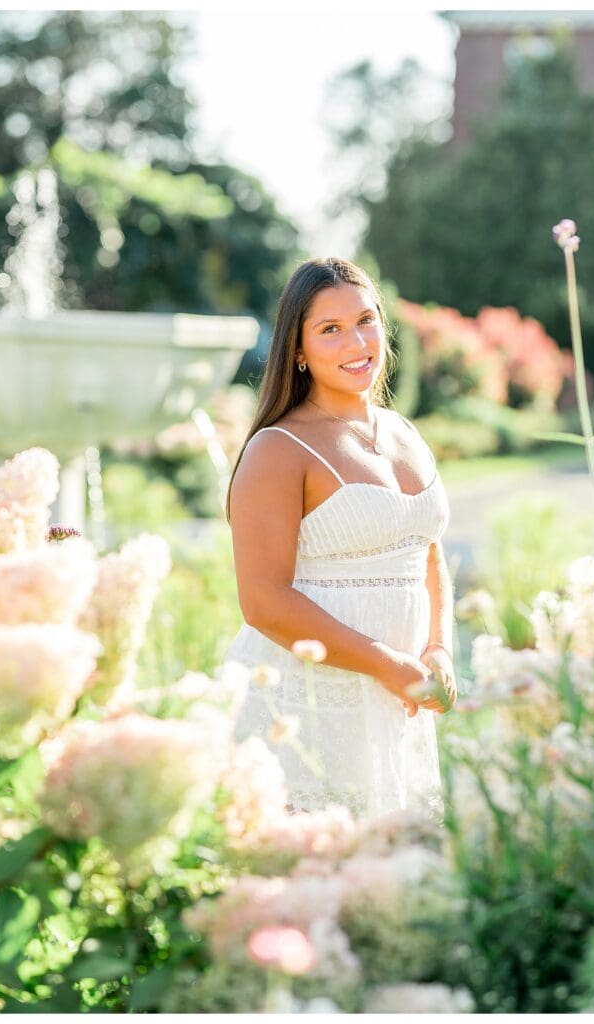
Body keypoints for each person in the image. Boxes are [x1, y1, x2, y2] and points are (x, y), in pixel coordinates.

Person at [223, 256, 456, 818]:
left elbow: (428, 556)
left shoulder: (403, 433)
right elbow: (263, 602)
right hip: (308, 701)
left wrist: (439, 648)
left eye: (367, 320)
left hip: (398, 698)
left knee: (395, 873)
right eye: (330, 329)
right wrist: (385, 664)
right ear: (297, 350)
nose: (357, 341)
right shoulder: (278, 450)